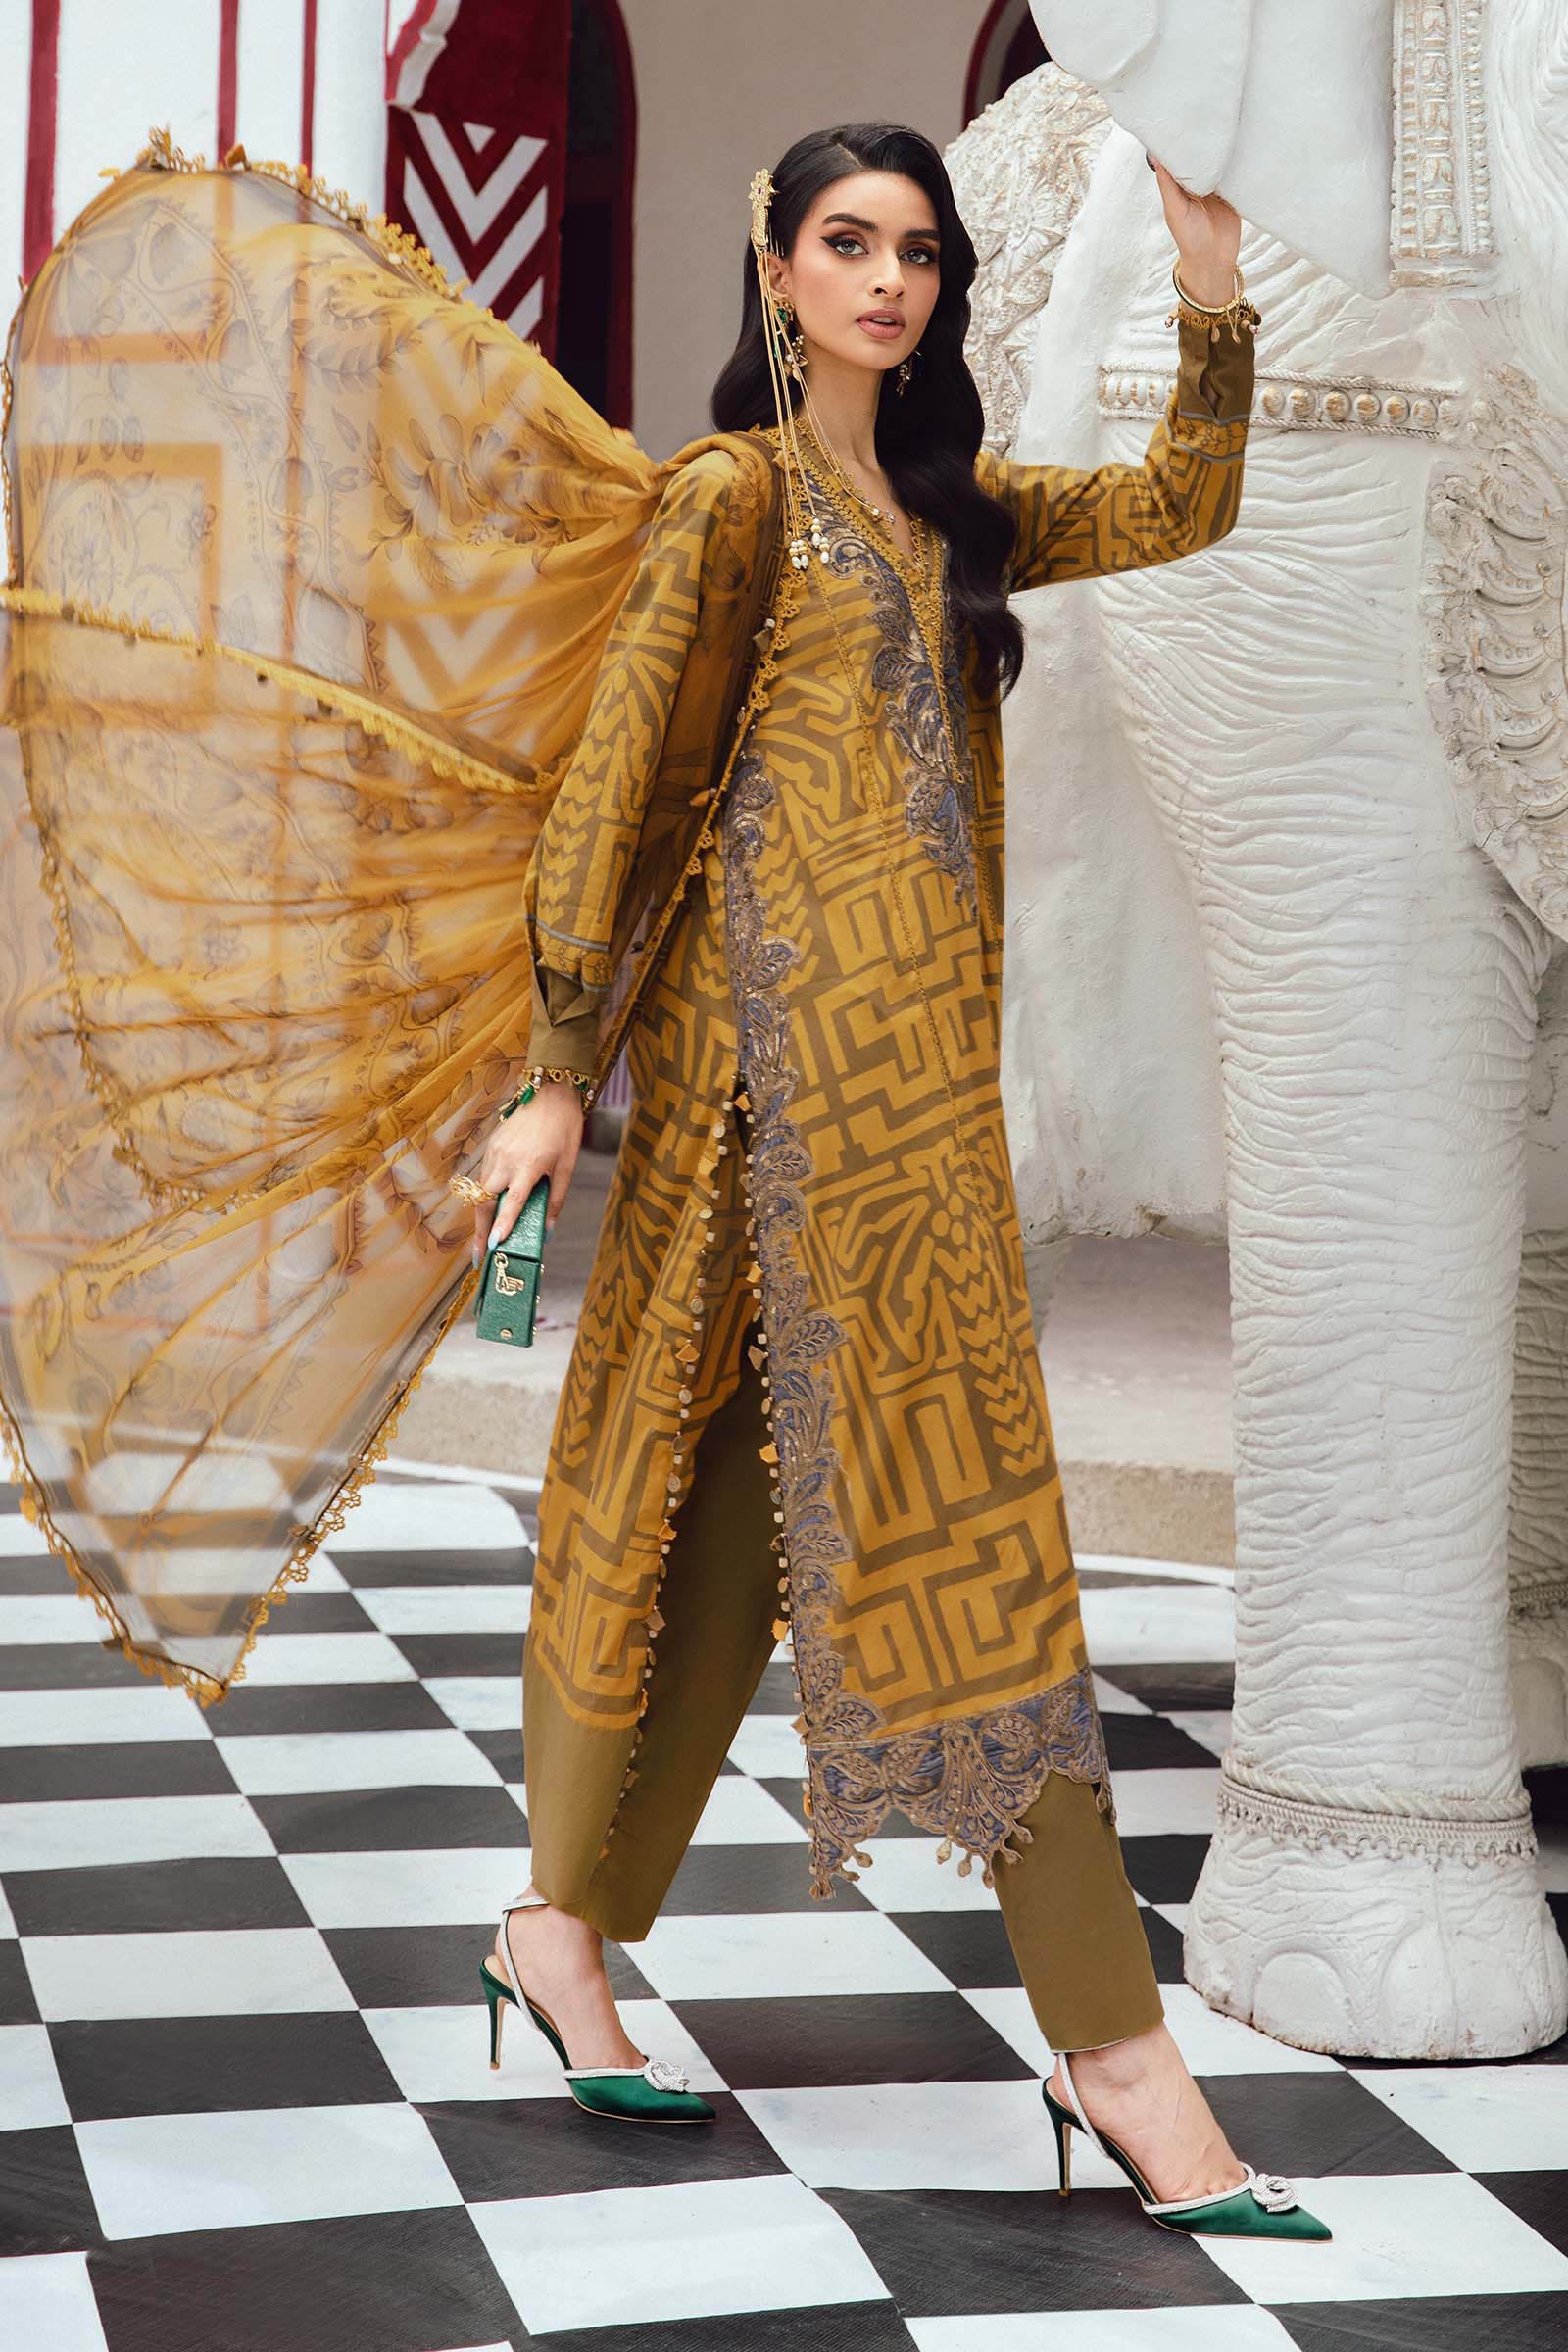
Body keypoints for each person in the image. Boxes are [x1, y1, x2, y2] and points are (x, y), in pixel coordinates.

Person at [467, 122, 1326, 2243]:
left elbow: (1179, 498)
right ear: (773, 265)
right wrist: (558, 1073)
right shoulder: (730, 500)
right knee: (956, 1542)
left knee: (742, 1531)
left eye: (918, 253)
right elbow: (615, 789)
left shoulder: (945, 511)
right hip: (763, 1113)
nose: (885, 281)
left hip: (918, 1120)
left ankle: (554, 1927)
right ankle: (1117, 2056)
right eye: (846, 243)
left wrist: (1210, 297)